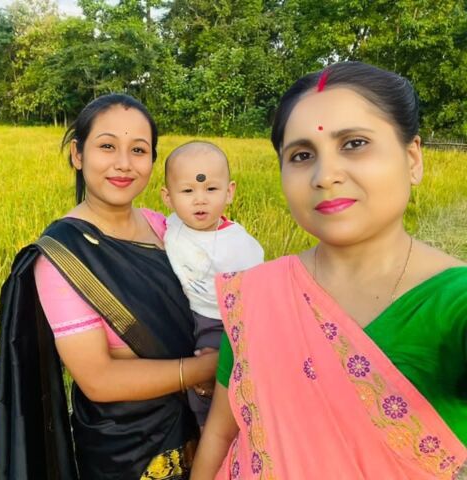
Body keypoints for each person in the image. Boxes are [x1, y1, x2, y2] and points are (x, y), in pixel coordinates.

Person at [191, 62, 467, 479]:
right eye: (302, 156)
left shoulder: (453, 302)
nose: (325, 176)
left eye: (354, 143)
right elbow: (219, 434)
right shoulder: (255, 295)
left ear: (412, 159)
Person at [0, 94, 218, 480]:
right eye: (107, 146)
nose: (124, 163)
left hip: (200, 425)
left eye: (138, 150)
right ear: (78, 154)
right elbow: (98, 379)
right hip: (127, 449)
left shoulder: (164, 226)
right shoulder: (64, 256)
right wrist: (208, 367)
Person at [160, 141, 264, 427]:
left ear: (229, 192)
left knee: (210, 379)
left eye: (211, 189)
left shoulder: (238, 245)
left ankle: (214, 429)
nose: (200, 200)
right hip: (186, 314)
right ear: (168, 197)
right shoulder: (172, 225)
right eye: (187, 191)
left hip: (220, 320)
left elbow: (258, 292)